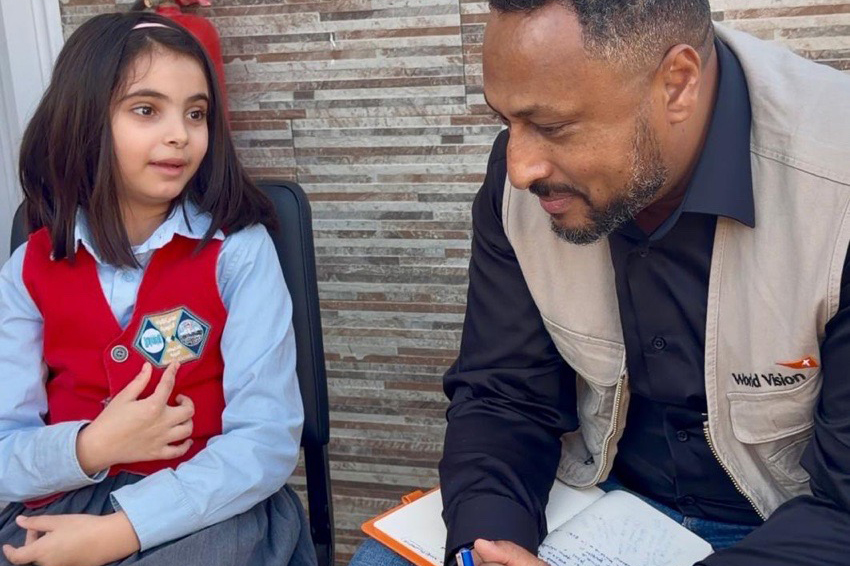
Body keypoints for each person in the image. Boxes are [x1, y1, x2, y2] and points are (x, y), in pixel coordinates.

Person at [349, 0, 850, 565]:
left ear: (678, 84)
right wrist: (494, 540)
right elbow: (505, 392)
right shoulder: (525, 183)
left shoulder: (836, 184)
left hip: (788, 525)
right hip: (599, 496)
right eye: (505, 122)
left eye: (552, 126)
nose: (518, 168)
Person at [0, 12, 315, 566]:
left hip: (208, 508)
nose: (180, 134)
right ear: (82, 120)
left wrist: (123, 531)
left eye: (197, 113)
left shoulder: (239, 252)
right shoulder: (28, 269)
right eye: (146, 110)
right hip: (58, 501)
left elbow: (264, 441)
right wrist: (93, 446)